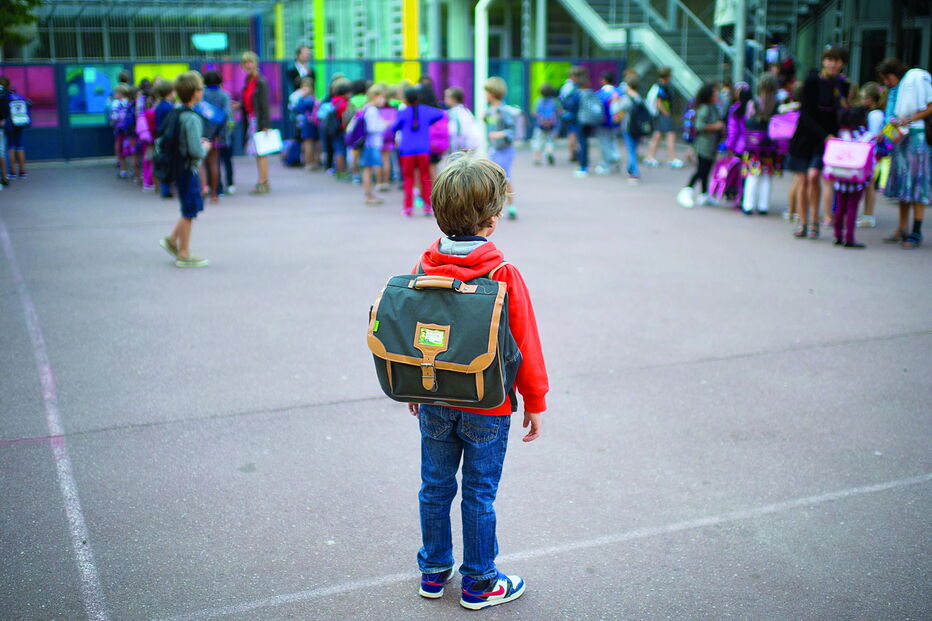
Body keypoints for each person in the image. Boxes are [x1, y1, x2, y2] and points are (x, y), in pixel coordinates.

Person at [411, 153, 547, 611]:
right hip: (487, 404)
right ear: (493, 219)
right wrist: (535, 400)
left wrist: (415, 386)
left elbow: (415, 331)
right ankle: (480, 581)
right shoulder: (502, 273)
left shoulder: (425, 264)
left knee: (434, 485)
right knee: (479, 493)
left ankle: (433, 571)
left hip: (433, 394)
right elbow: (524, 341)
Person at [786, 47, 847, 239]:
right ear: (823, 61)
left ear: (842, 64)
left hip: (826, 140)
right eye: (829, 59)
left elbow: (840, 115)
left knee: (814, 176)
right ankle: (803, 222)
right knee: (803, 179)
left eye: (836, 61)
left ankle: (814, 221)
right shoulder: (812, 81)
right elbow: (805, 114)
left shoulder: (842, 85)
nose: (832, 64)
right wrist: (825, 134)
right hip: (805, 137)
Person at [877, 58, 932, 249]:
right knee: (903, 184)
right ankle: (902, 228)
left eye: (888, 77)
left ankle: (916, 232)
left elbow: (930, 106)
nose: (886, 82)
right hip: (902, 139)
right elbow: (896, 119)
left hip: (916, 138)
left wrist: (908, 119)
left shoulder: (917, 79)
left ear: (896, 74)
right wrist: (884, 133)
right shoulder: (899, 90)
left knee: (916, 184)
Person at [159, 71, 211, 268]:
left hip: (177, 166)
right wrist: (205, 147)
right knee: (189, 210)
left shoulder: (176, 112)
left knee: (189, 208)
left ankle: (172, 240)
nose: (202, 91)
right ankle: (183, 253)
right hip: (188, 168)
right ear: (194, 93)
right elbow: (195, 150)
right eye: (200, 88)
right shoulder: (192, 118)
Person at [392, 86, 444, 216]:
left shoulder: (402, 112)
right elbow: (441, 114)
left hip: (406, 152)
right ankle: (428, 207)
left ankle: (408, 208)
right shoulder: (426, 110)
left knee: (408, 178)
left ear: (405, 99)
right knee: (425, 177)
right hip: (423, 150)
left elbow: (394, 128)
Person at [677, 82, 723, 208]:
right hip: (704, 145)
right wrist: (715, 126)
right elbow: (699, 125)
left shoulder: (712, 107)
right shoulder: (705, 109)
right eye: (715, 93)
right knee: (701, 170)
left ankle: (704, 195)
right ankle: (687, 190)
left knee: (706, 170)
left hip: (711, 145)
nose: (717, 94)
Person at [741, 74, 780, 215]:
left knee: (752, 175)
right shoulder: (777, 104)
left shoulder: (754, 102)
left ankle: (748, 205)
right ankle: (763, 206)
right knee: (766, 175)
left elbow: (747, 120)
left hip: (753, 145)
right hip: (769, 146)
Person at [484, 77, 518, 219]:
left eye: (486, 92)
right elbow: (489, 124)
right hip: (494, 149)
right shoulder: (490, 111)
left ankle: (511, 207)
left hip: (505, 150)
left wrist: (500, 134)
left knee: (504, 178)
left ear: (492, 93)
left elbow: (512, 131)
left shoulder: (504, 111)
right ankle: (494, 208)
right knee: (491, 177)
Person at [239, 51, 272, 195]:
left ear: (256, 64)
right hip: (250, 119)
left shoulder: (260, 82)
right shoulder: (248, 81)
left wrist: (265, 125)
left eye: (250, 62)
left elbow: (264, 105)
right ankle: (262, 180)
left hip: (258, 121)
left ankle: (263, 181)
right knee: (257, 153)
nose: (248, 65)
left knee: (261, 152)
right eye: (245, 63)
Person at [857, 82, 886, 229]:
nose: (862, 100)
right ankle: (867, 215)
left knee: (869, 185)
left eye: (864, 97)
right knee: (869, 185)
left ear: (871, 98)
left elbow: (873, 135)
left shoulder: (875, 115)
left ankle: (868, 215)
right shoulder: (877, 113)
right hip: (872, 154)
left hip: (872, 154)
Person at [201, 70, 232, 202]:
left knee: (202, 163)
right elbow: (227, 115)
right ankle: (215, 192)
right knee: (215, 163)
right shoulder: (224, 95)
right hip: (217, 135)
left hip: (202, 134)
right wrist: (223, 134)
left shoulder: (201, 95)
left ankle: (203, 189)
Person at [644, 67, 684, 168]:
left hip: (659, 115)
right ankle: (671, 158)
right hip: (664, 115)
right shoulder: (663, 87)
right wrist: (666, 113)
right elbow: (659, 102)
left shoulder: (658, 85)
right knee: (670, 135)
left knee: (657, 135)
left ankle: (650, 156)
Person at [359, 84, 387, 205]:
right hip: (371, 143)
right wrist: (384, 125)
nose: (383, 100)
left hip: (369, 143)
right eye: (382, 97)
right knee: (369, 169)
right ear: (375, 96)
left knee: (368, 169)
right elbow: (372, 128)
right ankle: (368, 195)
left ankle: (369, 194)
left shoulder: (367, 108)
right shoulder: (372, 110)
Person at [619, 71, 645, 183]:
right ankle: (630, 168)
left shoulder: (627, 98)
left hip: (629, 127)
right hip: (639, 127)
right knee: (634, 149)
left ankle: (634, 173)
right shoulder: (639, 98)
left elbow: (616, 109)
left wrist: (615, 101)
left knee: (631, 150)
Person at [2, 77, 30, 180]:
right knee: (20, 147)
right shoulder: (19, 96)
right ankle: (22, 171)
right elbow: (28, 105)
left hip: (10, 124)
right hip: (20, 123)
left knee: (10, 147)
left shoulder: (4, 97)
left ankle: (12, 172)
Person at [153, 81, 177, 199]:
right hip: (167, 138)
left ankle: (165, 188)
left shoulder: (160, 106)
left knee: (164, 162)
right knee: (168, 163)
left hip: (161, 137)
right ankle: (166, 189)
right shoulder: (168, 107)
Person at [595, 71, 622, 174]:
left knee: (604, 142)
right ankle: (615, 156)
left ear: (604, 80)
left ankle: (606, 163)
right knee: (612, 140)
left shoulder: (600, 94)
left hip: (603, 122)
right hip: (616, 121)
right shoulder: (619, 92)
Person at [292, 77, 320, 171]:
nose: (305, 89)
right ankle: (309, 162)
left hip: (310, 123)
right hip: (308, 123)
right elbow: (300, 109)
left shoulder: (307, 98)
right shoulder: (305, 99)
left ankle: (311, 161)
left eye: (307, 87)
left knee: (310, 142)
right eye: (303, 87)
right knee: (308, 142)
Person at [444, 86, 480, 154]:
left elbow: (456, 133)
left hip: (462, 151)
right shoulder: (465, 111)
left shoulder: (455, 113)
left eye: (447, 96)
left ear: (454, 99)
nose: (445, 99)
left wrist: (457, 152)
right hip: (466, 149)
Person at [531, 82, 560, 166]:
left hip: (540, 125)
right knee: (550, 141)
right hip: (551, 126)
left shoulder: (538, 101)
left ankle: (537, 158)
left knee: (538, 141)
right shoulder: (555, 101)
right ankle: (549, 152)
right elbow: (559, 111)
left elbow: (534, 112)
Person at [559, 66, 583, 162]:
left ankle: (572, 153)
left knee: (571, 134)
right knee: (573, 134)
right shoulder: (573, 87)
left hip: (567, 113)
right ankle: (573, 153)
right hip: (573, 114)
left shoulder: (564, 86)